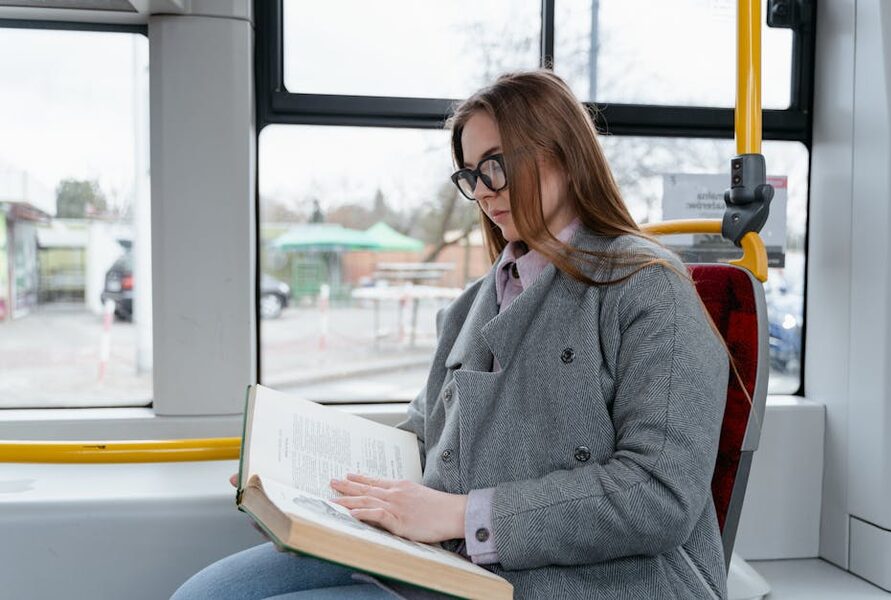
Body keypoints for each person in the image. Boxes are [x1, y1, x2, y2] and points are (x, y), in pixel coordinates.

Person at [171, 69, 730, 600]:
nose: (484, 192)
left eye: (497, 164)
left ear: (562, 152)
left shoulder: (645, 287)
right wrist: (311, 493)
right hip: (448, 559)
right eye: (470, 174)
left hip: (593, 580)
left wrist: (462, 515)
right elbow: (423, 434)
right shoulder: (472, 304)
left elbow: (659, 493)